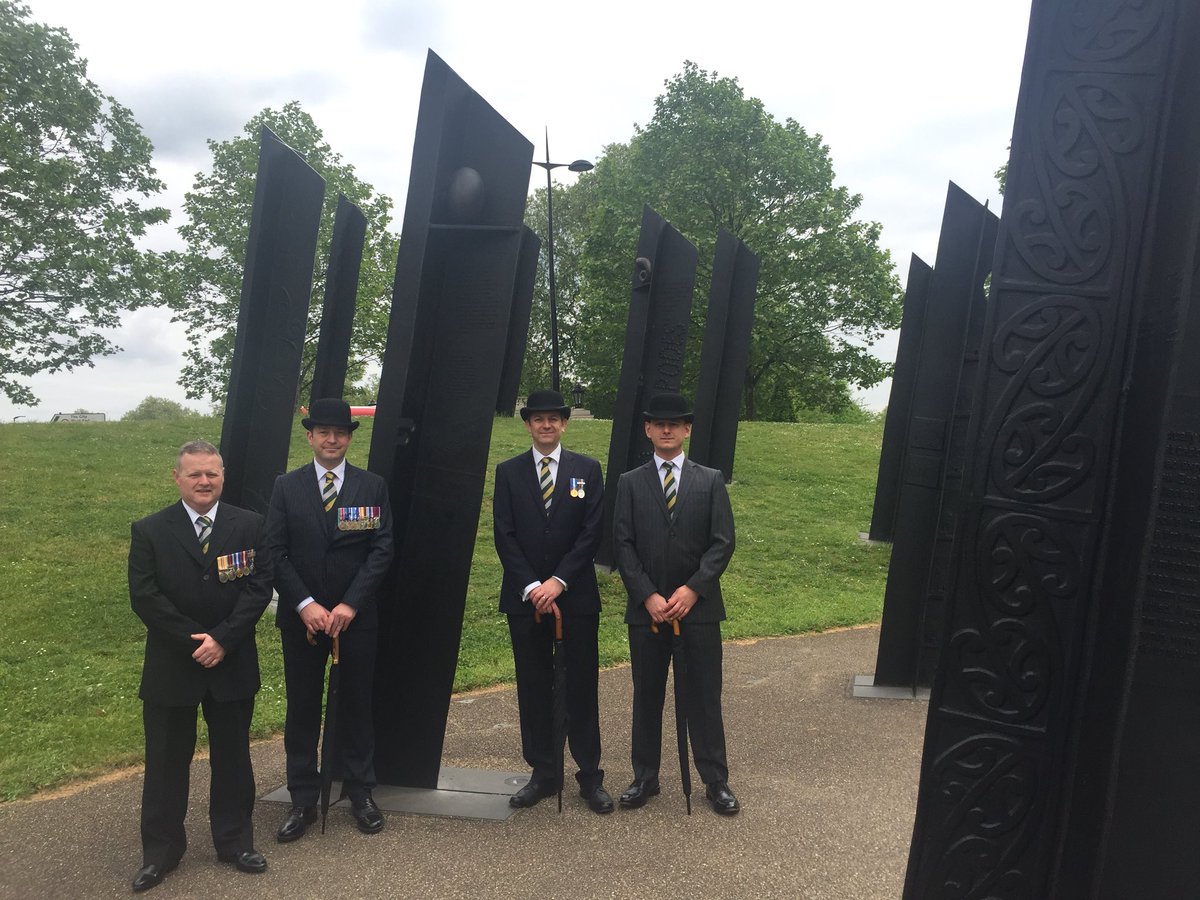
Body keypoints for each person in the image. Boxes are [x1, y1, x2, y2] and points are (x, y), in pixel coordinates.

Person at [128, 440, 273, 892]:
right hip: (174, 664)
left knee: (233, 760)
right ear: (177, 478)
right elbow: (145, 596)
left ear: (223, 476)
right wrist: (196, 641)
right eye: (194, 474)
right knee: (166, 762)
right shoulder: (150, 530)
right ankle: (161, 852)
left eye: (211, 473)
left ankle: (235, 842)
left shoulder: (250, 525)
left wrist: (224, 640)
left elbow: (260, 586)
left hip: (231, 663)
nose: (204, 481)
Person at [266, 398, 394, 840]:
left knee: (357, 704)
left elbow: (381, 550)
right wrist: (305, 604)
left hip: (354, 620)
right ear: (310, 437)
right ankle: (302, 798)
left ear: (349, 438)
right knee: (302, 707)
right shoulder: (286, 486)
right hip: (302, 620)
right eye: (324, 432)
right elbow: (274, 552)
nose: (332, 439)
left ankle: (360, 791)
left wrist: (349, 605)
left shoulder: (371, 486)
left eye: (340, 432)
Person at [612, 393, 740, 815]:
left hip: (697, 610)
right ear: (648, 430)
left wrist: (693, 589)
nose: (667, 429)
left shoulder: (710, 479)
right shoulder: (631, 482)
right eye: (658, 423)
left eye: (676, 423)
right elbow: (623, 544)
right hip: (646, 612)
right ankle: (645, 777)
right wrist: (646, 594)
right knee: (646, 694)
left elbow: (723, 543)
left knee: (704, 696)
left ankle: (715, 779)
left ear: (687, 430)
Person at [493, 389, 612, 814]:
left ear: (564, 424)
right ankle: (543, 773)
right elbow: (503, 535)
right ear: (528, 424)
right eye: (537, 419)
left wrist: (558, 582)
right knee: (534, 687)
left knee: (581, 686)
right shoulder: (508, 472)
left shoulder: (587, 470)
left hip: (575, 599)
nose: (546, 425)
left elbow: (591, 533)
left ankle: (590, 776)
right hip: (525, 602)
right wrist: (532, 587)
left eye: (553, 419)